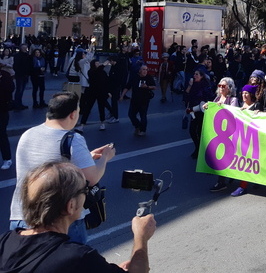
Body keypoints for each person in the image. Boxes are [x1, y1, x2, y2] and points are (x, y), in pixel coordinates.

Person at [0, 162, 156, 273]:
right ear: (71, 206)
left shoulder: (4, 241)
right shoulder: (79, 258)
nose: (88, 193)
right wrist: (140, 237)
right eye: (85, 189)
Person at [9, 92, 115, 244]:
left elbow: (47, 164)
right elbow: (92, 178)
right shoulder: (72, 139)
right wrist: (105, 157)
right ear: (73, 114)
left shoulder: (28, 134)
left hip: (22, 216)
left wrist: (87, 157)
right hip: (58, 221)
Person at [208, 77, 239, 193]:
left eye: (223, 86)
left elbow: (233, 113)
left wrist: (223, 106)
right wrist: (208, 107)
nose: (221, 88)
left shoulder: (233, 99)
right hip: (218, 133)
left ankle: (221, 182)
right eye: (219, 86)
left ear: (229, 88)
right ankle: (226, 178)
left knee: (225, 156)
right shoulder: (217, 98)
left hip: (229, 133)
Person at [185, 69, 215, 159]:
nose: (194, 76)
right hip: (193, 110)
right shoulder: (193, 84)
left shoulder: (205, 86)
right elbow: (186, 95)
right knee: (192, 130)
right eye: (194, 74)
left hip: (202, 112)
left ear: (201, 76)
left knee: (199, 131)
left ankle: (201, 150)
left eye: (197, 74)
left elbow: (209, 98)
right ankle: (197, 148)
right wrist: (190, 85)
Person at [120, 65, 157, 137]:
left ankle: (143, 130)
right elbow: (127, 87)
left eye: (146, 69)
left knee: (143, 116)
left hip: (144, 100)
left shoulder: (149, 77)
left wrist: (147, 86)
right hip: (135, 100)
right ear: (139, 70)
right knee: (131, 115)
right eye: (143, 69)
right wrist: (122, 96)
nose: (145, 71)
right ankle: (137, 126)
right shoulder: (134, 78)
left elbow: (154, 87)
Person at [79, 60, 113, 131]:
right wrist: (103, 65)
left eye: (98, 63)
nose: (98, 64)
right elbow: (96, 73)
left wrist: (108, 91)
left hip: (100, 92)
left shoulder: (102, 72)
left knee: (101, 108)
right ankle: (82, 124)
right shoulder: (91, 72)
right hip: (93, 92)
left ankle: (102, 123)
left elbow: (106, 81)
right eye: (96, 63)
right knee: (88, 108)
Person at [0, 69, 14, 170]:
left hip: (2, 109)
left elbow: (10, 89)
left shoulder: (5, 75)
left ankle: (7, 159)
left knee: (2, 134)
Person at [12, 44, 30, 110]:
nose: (25, 49)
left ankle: (19, 103)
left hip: (25, 75)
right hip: (20, 75)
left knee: (21, 90)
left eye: (26, 48)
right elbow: (15, 66)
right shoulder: (17, 56)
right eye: (24, 48)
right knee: (19, 89)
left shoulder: (27, 55)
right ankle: (17, 104)